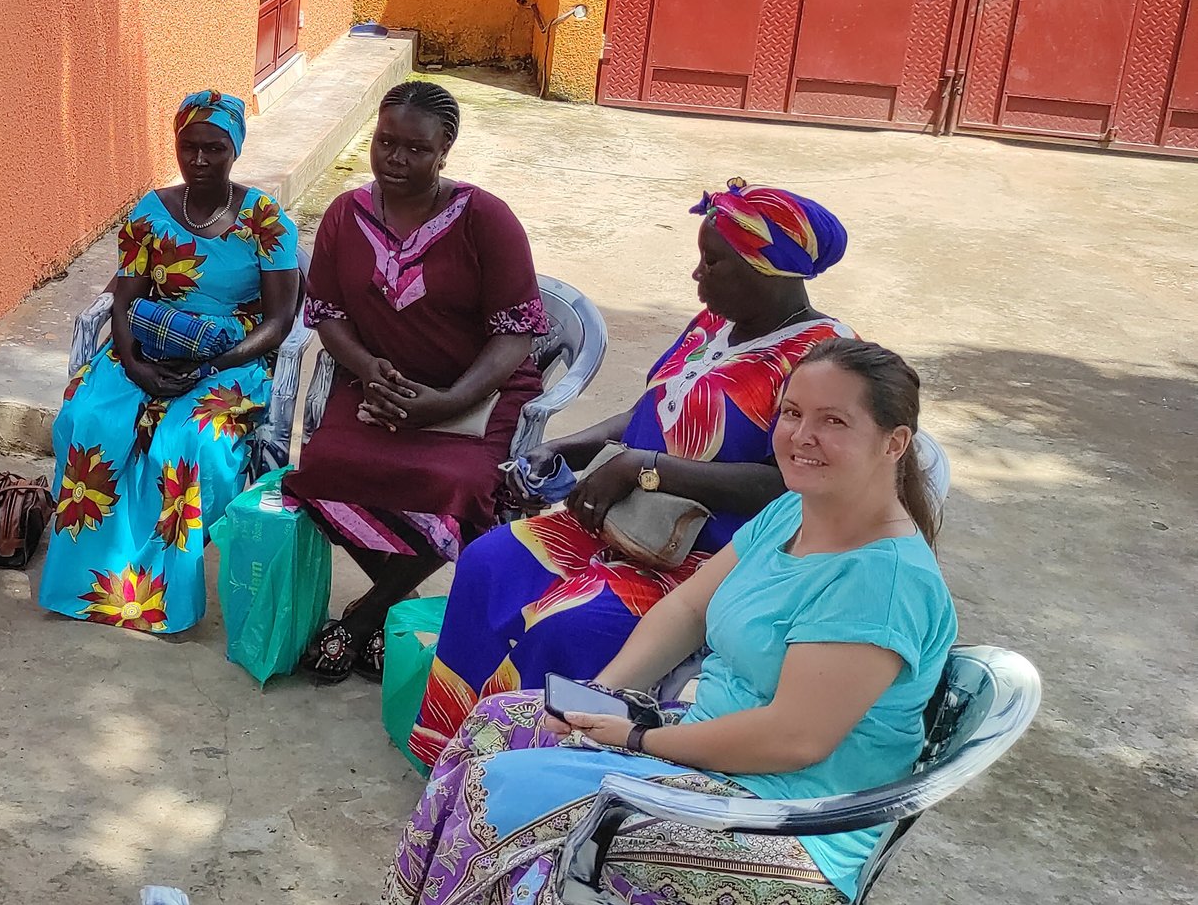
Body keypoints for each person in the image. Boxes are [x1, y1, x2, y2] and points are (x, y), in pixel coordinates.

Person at [388, 338, 953, 905]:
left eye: (834, 421)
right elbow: (688, 607)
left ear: (893, 443)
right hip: (708, 747)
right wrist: (599, 694)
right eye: (792, 413)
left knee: (502, 799)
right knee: (495, 724)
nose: (802, 436)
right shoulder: (793, 510)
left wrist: (642, 737)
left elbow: (794, 738)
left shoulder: (882, 581)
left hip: (785, 817)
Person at [410, 181, 852, 764]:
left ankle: (529, 768)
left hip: (701, 556)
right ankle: (454, 746)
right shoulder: (713, 325)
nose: (698, 274)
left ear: (766, 268)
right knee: (488, 563)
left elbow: (790, 483)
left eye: (713, 261)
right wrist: (573, 445)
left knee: (567, 627)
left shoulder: (822, 360)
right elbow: (653, 410)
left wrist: (646, 469)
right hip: (622, 518)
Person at [282, 81, 546, 682]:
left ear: (445, 149)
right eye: (385, 143)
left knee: (458, 486)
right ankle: (393, 610)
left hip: (477, 393)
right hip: (381, 387)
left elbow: (516, 333)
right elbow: (328, 315)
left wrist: (449, 401)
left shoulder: (485, 218)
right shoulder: (345, 216)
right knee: (322, 471)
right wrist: (366, 367)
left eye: (415, 149)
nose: (396, 160)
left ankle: (363, 614)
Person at [38, 90, 300, 634]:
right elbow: (124, 300)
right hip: (147, 346)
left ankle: (160, 598)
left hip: (232, 359)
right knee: (90, 420)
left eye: (214, 148)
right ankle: (92, 585)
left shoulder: (265, 221)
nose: (200, 160)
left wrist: (212, 365)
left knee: (188, 442)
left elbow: (279, 322)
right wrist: (134, 366)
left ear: (236, 149)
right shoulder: (151, 212)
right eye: (189, 147)